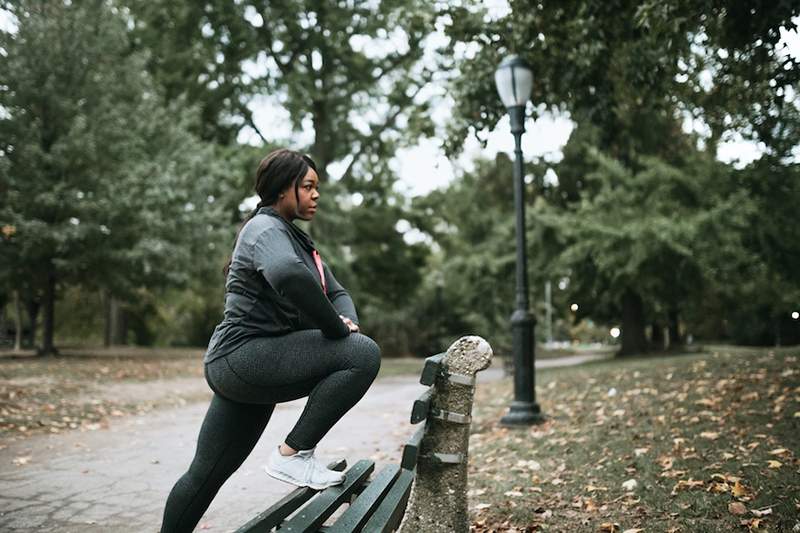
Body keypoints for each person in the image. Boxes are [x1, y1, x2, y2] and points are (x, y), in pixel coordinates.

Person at [160, 149, 381, 533]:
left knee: (206, 474)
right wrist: (336, 331)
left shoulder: (294, 239)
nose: (316, 195)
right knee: (362, 355)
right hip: (243, 356)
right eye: (308, 187)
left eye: (317, 188)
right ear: (282, 189)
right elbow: (287, 276)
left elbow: (337, 292)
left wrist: (347, 322)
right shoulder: (265, 230)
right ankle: (292, 455)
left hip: (247, 365)